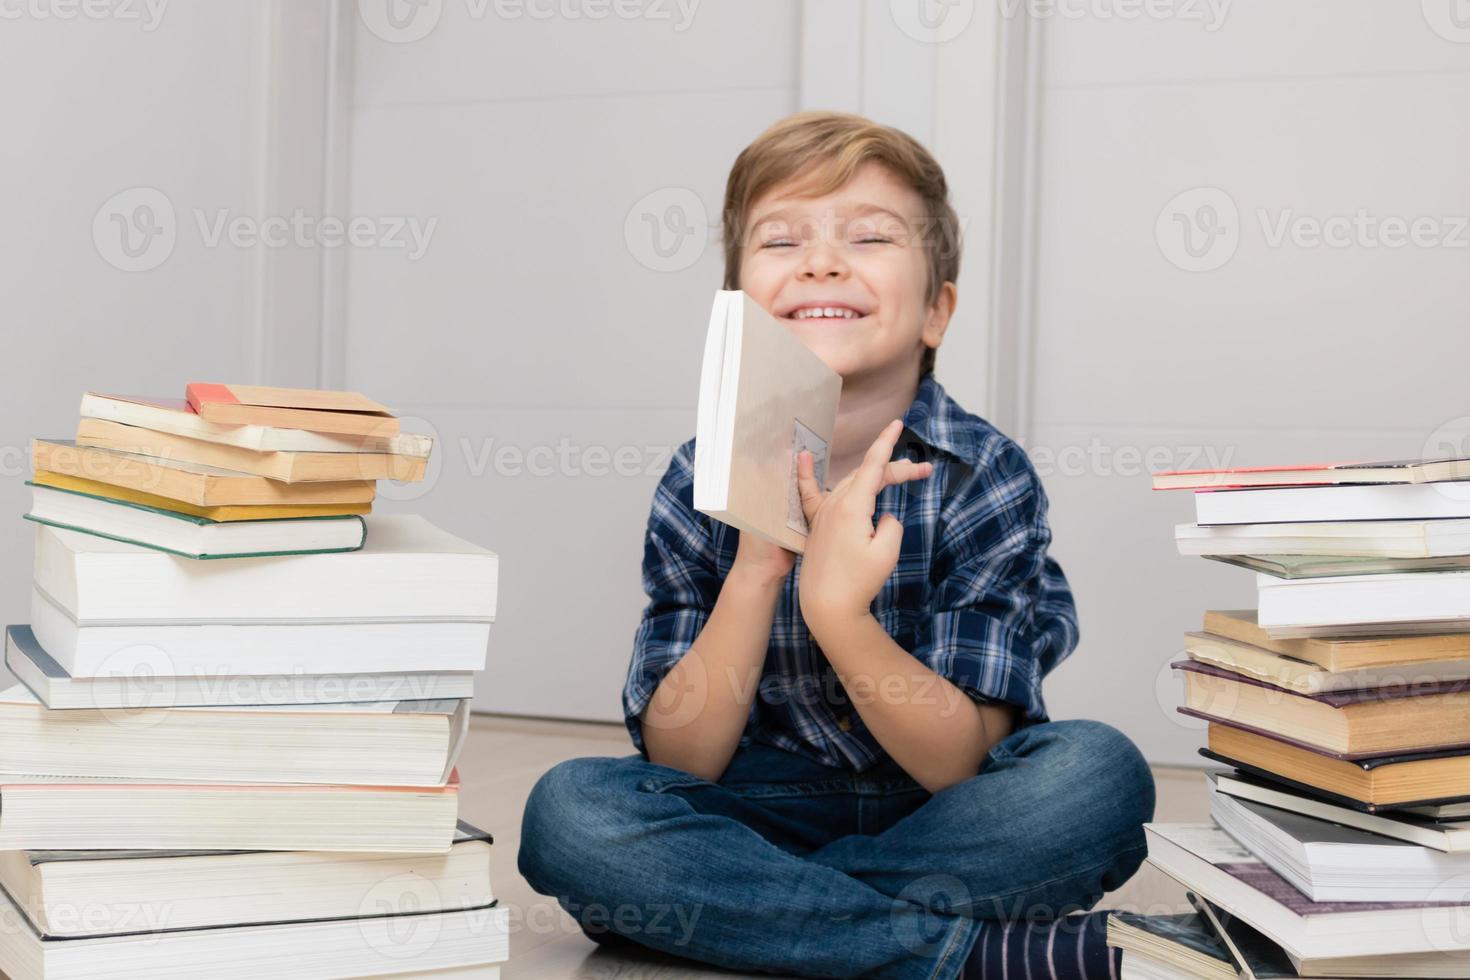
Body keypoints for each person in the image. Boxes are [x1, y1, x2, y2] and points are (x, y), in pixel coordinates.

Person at [519, 111, 1154, 979]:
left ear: (937, 310)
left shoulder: (985, 474)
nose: (822, 260)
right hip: (757, 804)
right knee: (573, 814)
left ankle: (745, 918)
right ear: (739, 308)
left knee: (1097, 779)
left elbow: (962, 761)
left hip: (941, 812)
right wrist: (757, 566)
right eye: (781, 240)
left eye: (868, 236)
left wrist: (835, 609)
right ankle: (955, 955)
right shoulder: (696, 478)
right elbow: (681, 758)